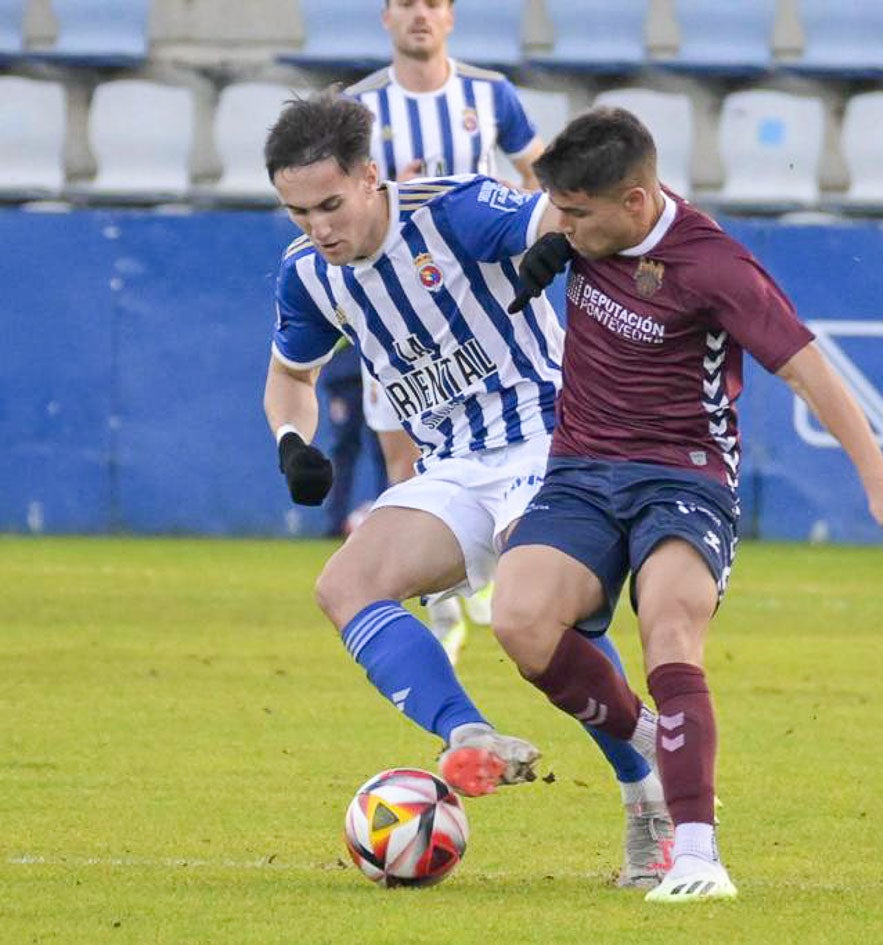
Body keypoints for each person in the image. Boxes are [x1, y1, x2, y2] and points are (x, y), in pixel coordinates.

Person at [489, 107, 883, 903]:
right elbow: (532, 220)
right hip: (579, 469)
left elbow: (811, 372)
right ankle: (650, 735)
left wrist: (879, 484)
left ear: (636, 202)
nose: (560, 226)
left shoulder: (715, 267)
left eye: (574, 214)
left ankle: (697, 853)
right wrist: (553, 236)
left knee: (669, 627)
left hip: (685, 477)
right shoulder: (587, 231)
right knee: (518, 619)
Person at [260, 91, 672, 888]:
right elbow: (289, 377)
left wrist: (554, 242)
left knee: (534, 604)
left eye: (330, 205)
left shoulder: (450, 209)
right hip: (450, 463)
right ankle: (468, 733)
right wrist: (290, 440)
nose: (318, 228)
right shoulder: (309, 276)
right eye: (296, 212)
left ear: (370, 177)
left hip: (551, 438)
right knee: (344, 583)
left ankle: (644, 789)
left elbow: (547, 217)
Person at [345, 0, 549, 653]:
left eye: (432, 3)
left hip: (475, 307)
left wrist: (519, 227)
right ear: (385, 18)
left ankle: (485, 572)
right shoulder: (359, 107)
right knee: (405, 460)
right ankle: (440, 603)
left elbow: (536, 170)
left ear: (451, 16)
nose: (420, 16)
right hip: (397, 317)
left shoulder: (489, 93)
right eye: (405, 4)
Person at [315, 343, 387, 538]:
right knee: (342, 451)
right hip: (344, 373)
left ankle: (389, 521)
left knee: (386, 450)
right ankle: (334, 523)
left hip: (377, 370)